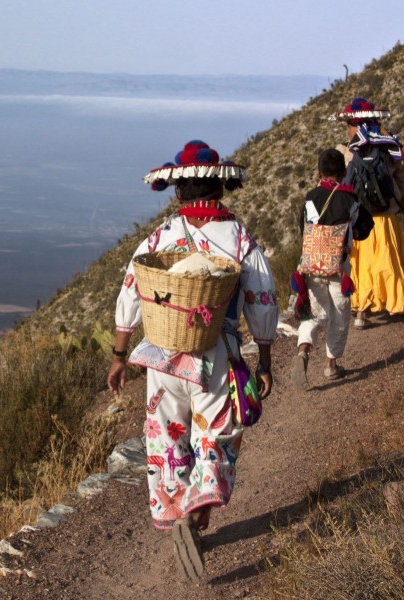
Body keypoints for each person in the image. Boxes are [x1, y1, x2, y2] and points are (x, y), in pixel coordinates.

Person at [107, 140, 278, 580]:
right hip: (214, 356)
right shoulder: (240, 240)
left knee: (167, 434)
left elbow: (132, 290)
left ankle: (179, 500)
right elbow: (261, 300)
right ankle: (198, 509)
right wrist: (264, 358)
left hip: (162, 356)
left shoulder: (161, 237)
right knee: (215, 434)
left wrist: (119, 354)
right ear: (219, 188)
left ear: (179, 191)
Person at [290, 148, 373, 390]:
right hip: (339, 268)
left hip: (311, 266)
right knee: (339, 314)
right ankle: (330, 364)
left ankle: (303, 351)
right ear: (344, 172)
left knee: (314, 314)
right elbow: (364, 228)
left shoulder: (310, 197)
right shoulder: (350, 198)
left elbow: (302, 228)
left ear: (319, 172)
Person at [333, 97, 404, 329]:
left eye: (349, 125)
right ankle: (395, 302)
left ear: (357, 126)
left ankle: (361, 310)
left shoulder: (349, 153)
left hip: (360, 220)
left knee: (362, 265)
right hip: (386, 218)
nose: (347, 130)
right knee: (387, 262)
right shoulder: (391, 147)